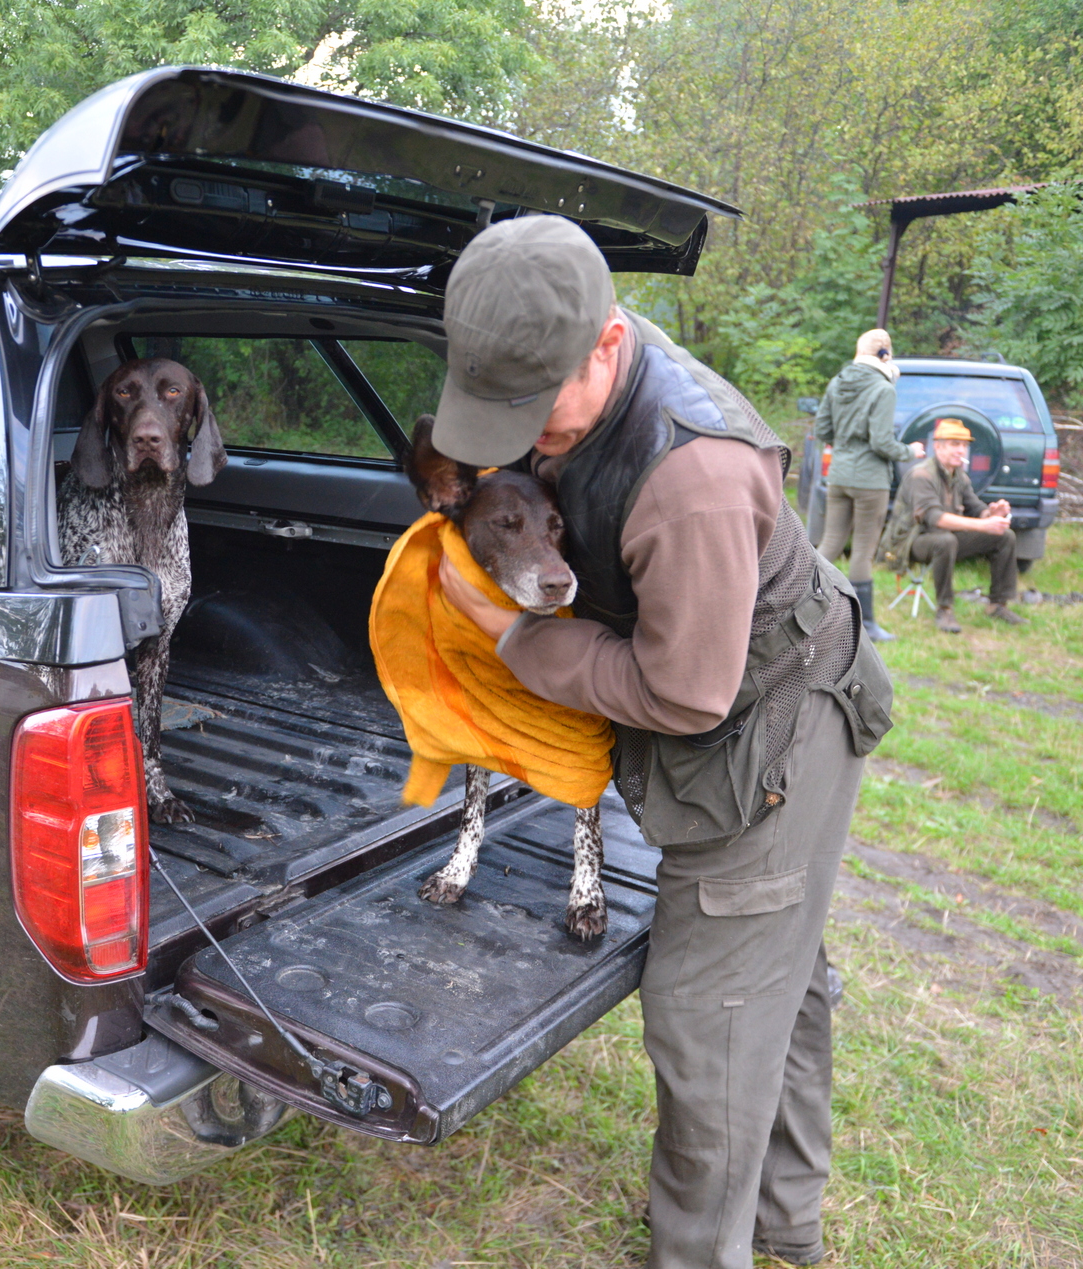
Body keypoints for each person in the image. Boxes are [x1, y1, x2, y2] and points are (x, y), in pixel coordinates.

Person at [428, 215, 893, 1269]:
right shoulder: (571, 386)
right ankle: (782, 1224)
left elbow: (684, 694)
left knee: (708, 1013)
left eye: (533, 408)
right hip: (741, 698)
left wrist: (516, 638)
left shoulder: (692, 478)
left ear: (608, 341)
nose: (519, 438)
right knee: (772, 974)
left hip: (774, 724)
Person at [812, 329, 923, 643]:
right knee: (862, 551)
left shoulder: (837, 382)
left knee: (830, 542)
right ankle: (866, 625)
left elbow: (822, 429)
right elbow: (881, 442)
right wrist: (910, 451)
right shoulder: (883, 388)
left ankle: (804, 607)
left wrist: (846, 447)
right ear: (884, 354)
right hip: (870, 481)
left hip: (839, 475)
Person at [900, 418, 1028, 632]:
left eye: (964, 445)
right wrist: (983, 525)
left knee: (1004, 536)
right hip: (914, 541)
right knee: (945, 541)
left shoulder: (959, 475)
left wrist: (993, 513)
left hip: (947, 536)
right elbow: (935, 518)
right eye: (954, 444)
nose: (961, 450)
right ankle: (945, 609)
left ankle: (998, 605)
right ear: (938, 447)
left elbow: (975, 507)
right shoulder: (921, 475)